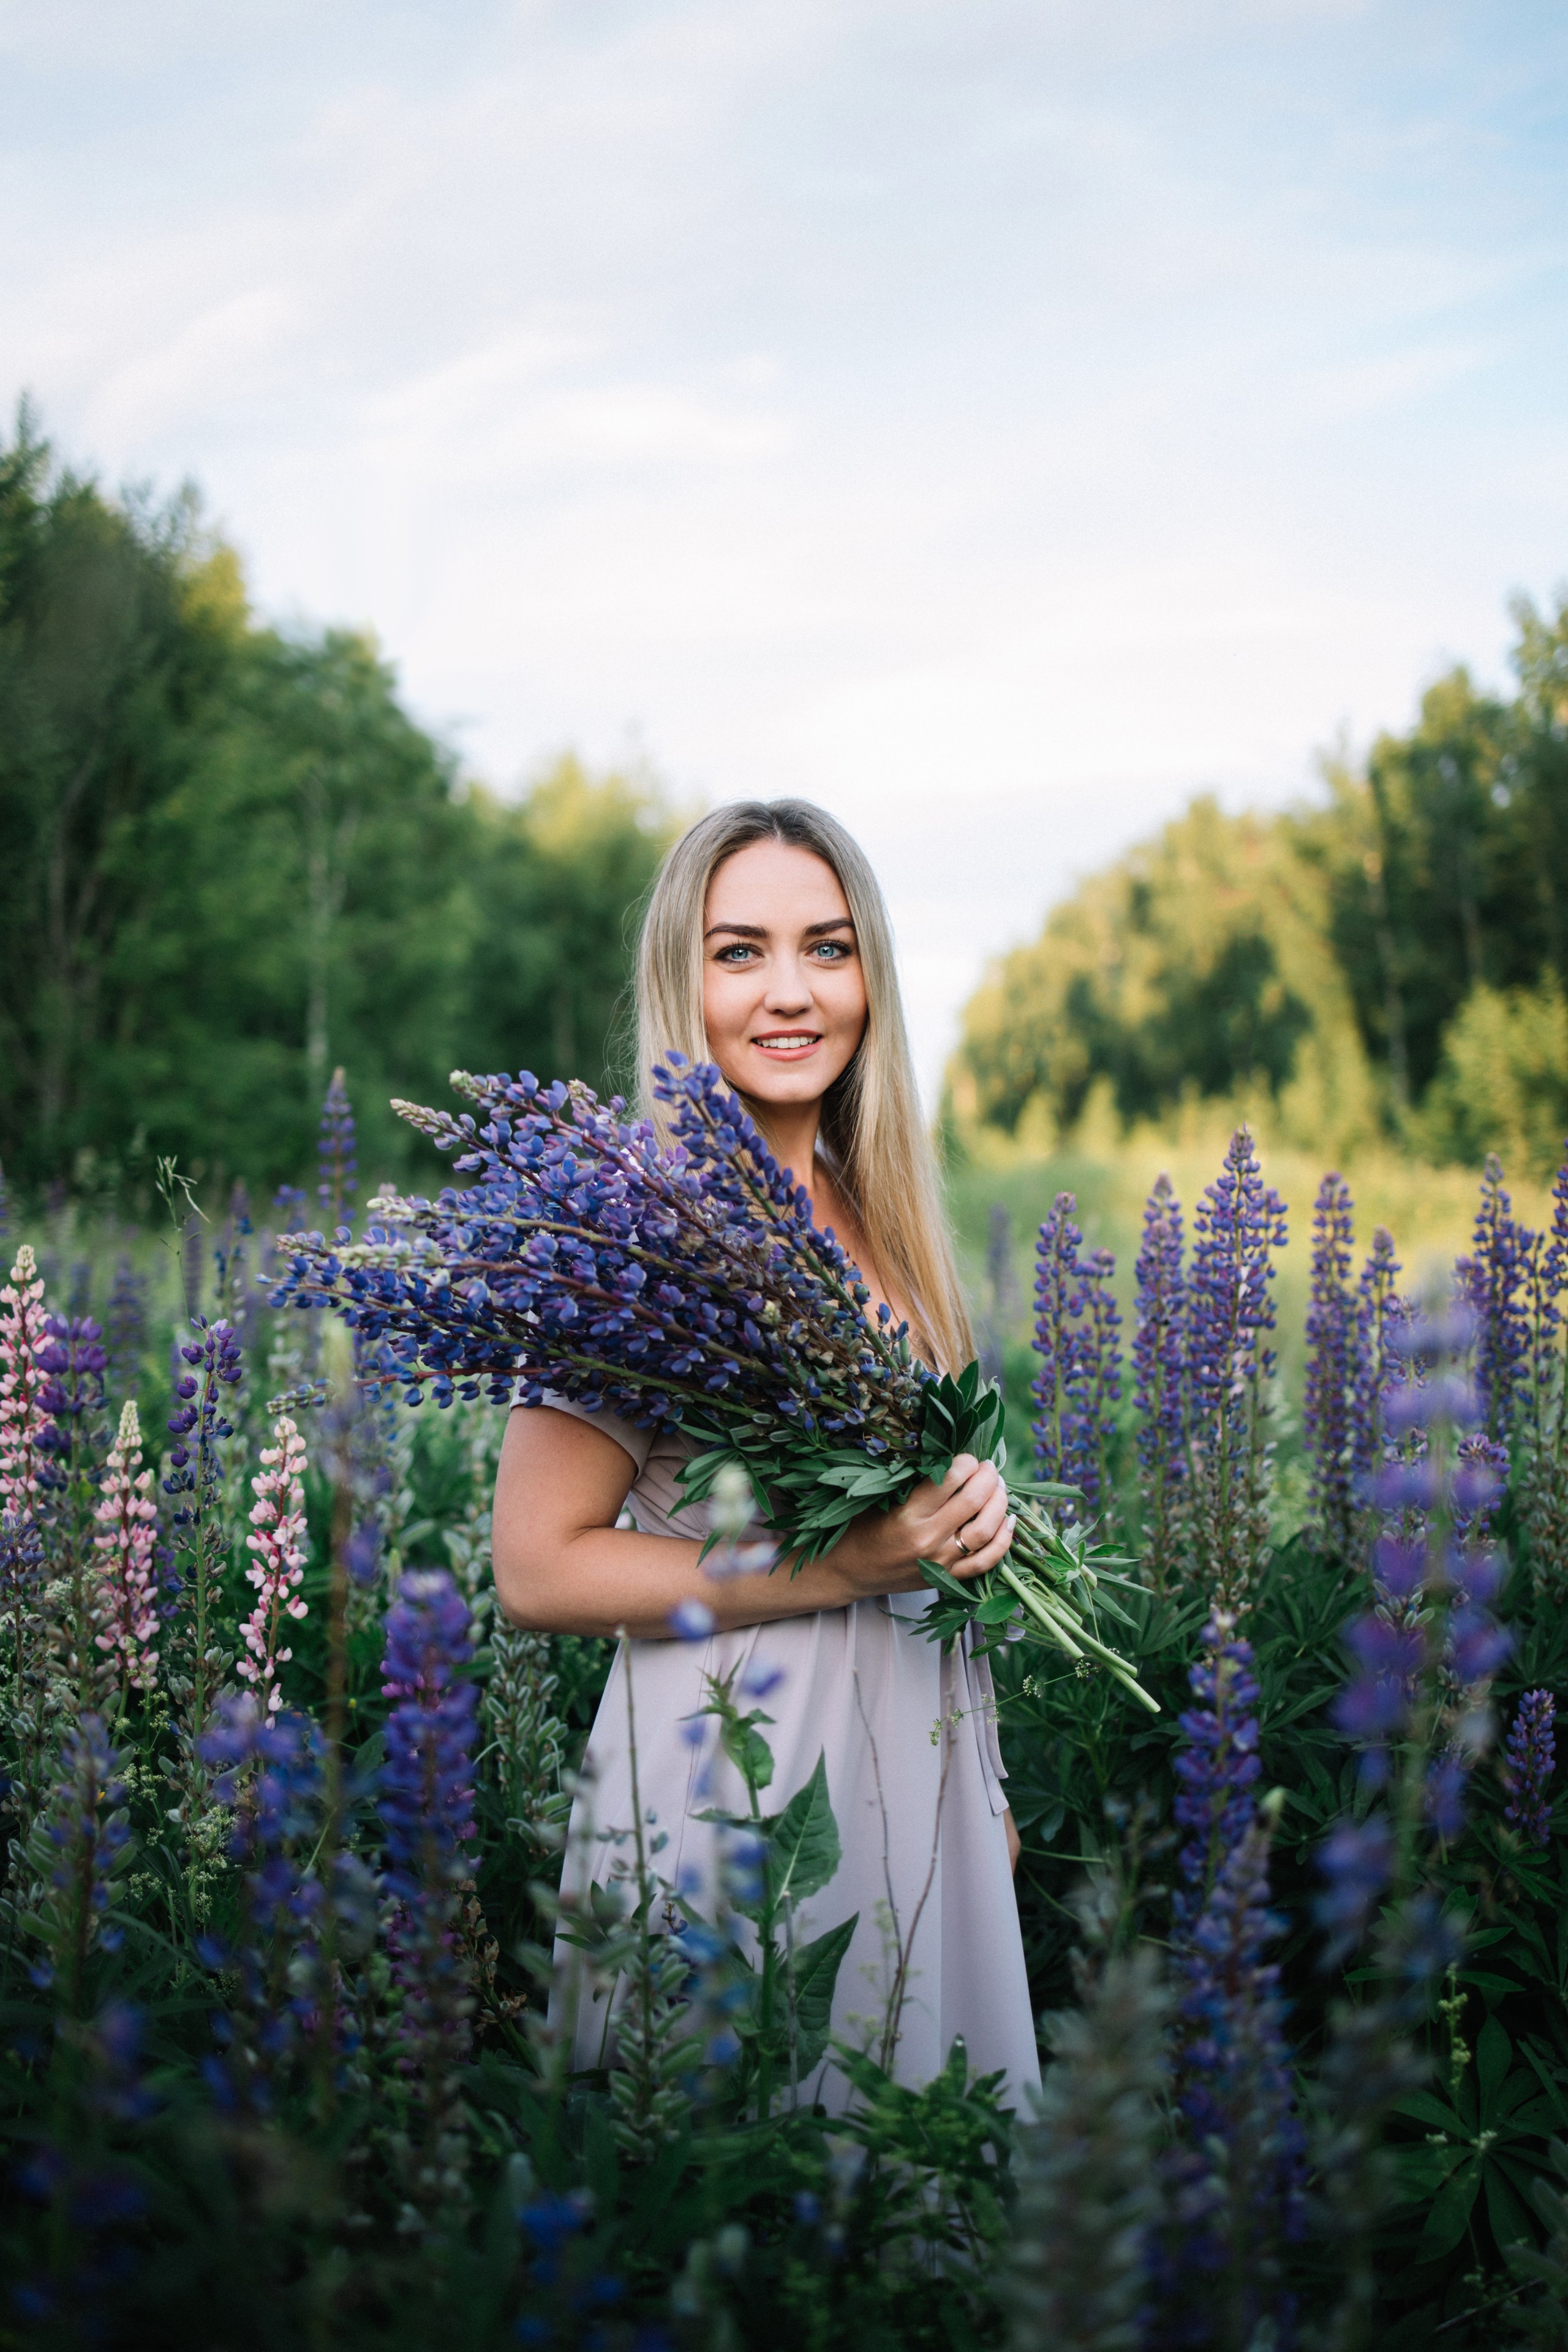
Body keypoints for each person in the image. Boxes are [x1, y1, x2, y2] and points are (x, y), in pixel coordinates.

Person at [491, 799, 1039, 2111]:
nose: (790, 993)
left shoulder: (884, 1214)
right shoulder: (629, 1235)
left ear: (871, 977)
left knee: (909, 2217)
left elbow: (915, 1529)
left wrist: (988, 1761)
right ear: (683, 981)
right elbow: (536, 1568)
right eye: (740, 952)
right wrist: (840, 1568)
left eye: (828, 949)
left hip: (918, 1754)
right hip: (727, 1773)